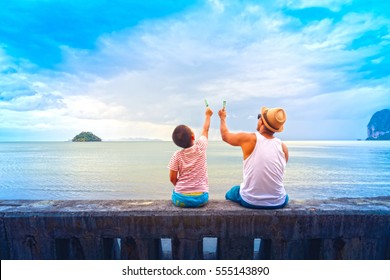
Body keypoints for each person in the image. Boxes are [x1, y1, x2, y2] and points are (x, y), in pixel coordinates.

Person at [218, 105, 289, 209]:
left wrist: (222, 118)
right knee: (285, 196)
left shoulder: (250, 139)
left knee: (232, 192)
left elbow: (225, 136)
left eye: (259, 117)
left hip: (250, 200)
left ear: (262, 121)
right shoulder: (283, 147)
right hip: (278, 202)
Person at [168, 106, 213, 207]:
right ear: (193, 137)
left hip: (181, 199)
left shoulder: (177, 156)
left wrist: (182, 188)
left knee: (174, 193)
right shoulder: (201, 146)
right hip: (201, 198)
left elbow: (172, 178)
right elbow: (205, 129)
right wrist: (208, 115)